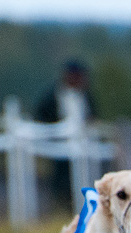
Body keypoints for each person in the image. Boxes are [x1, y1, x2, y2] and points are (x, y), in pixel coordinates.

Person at [35, 60, 98, 211]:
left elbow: (93, 117)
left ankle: (78, 207)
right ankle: (60, 207)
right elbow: (41, 117)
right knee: (61, 181)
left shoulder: (86, 96)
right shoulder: (52, 96)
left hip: (83, 147)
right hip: (59, 148)